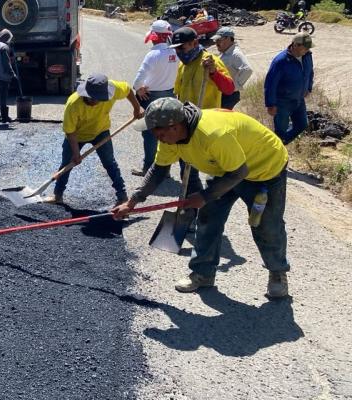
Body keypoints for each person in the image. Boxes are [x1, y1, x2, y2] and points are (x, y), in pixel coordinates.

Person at [112, 98, 291, 298]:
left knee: (266, 226)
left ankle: (277, 272)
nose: (157, 137)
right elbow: (159, 170)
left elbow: (239, 172)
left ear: (175, 126)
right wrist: (133, 201)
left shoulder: (212, 135)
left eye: (159, 132)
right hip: (225, 168)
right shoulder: (170, 138)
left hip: (263, 169)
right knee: (207, 219)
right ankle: (203, 273)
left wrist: (205, 196)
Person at [46, 73, 144, 205]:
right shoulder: (73, 103)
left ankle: (122, 197)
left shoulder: (113, 89)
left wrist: (137, 108)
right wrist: (76, 154)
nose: (95, 102)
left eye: (99, 99)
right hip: (77, 135)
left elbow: (128, 90)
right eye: (92, 99)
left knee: (110, 163)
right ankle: (58, 196)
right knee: (66, 165)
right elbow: (70, 131)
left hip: (100, 131)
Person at [170, 26, 235, 193]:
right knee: (187, 173)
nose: (178, 52)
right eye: (176, 49)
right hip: (186, 126)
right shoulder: (183, 65)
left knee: (214, 173)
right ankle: (190, 209)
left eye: (182, 47)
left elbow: (229, 89)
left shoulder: (210, 62)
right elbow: (178, 94)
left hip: (207, 128)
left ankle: (207, 205)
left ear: (195, 43)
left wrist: (213, 72)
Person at [131, 19, 178, 177]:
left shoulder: (153, 55)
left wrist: (139, 88)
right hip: (170, 95)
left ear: (155, 36)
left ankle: (149, 168)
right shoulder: (174, 53)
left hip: (153, 97)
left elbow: (137, 81)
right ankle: (165, 169)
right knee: (167, 132)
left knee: (150, 135)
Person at [264, 32, 314, 145]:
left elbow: (310, 72)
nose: (307, 50)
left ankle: (281, 144)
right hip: (282, 102)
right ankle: (276, 150)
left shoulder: (307, 55)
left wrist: (309, 88)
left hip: (299, 99)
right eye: (305, 47)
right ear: (295, 45)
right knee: (280, 131)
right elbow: (270, 84)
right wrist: (270, 104)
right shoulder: (280, 61)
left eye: (308, 47)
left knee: (302, 125)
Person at [211, 27, 253, 110]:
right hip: (223, 93)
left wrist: (234, 86)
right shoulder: (225, 53)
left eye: (219, 40)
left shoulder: (235, 54)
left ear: (228, 39)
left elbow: (247, 70)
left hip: (229, 95)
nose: (216, 43)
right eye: (215, 40)